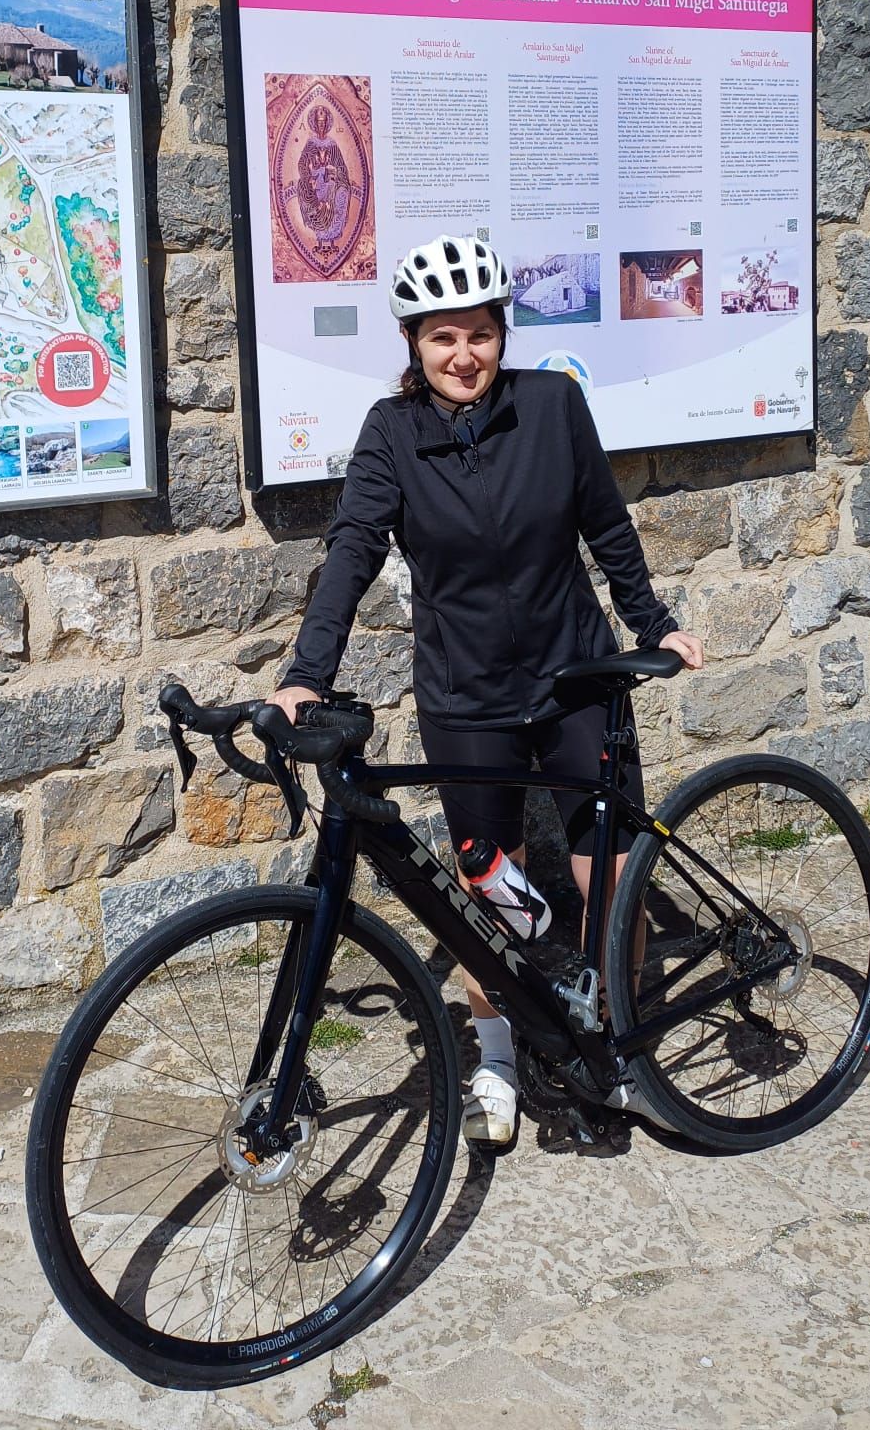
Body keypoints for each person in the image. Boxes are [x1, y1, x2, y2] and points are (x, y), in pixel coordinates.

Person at [269, 234, 703, 1147]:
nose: (463, 355)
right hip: (467, 695)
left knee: (609, 875)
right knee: (488, 887)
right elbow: (353, 550)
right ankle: (499, 1057)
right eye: (442, 339)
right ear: (414, 347)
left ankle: (614, 1043)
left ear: (504, 333)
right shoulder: (393, 434)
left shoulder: (552, 406)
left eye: (480, 334)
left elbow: (605, 526)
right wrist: (308, 673)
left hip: (578, 675)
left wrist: (652, 621)